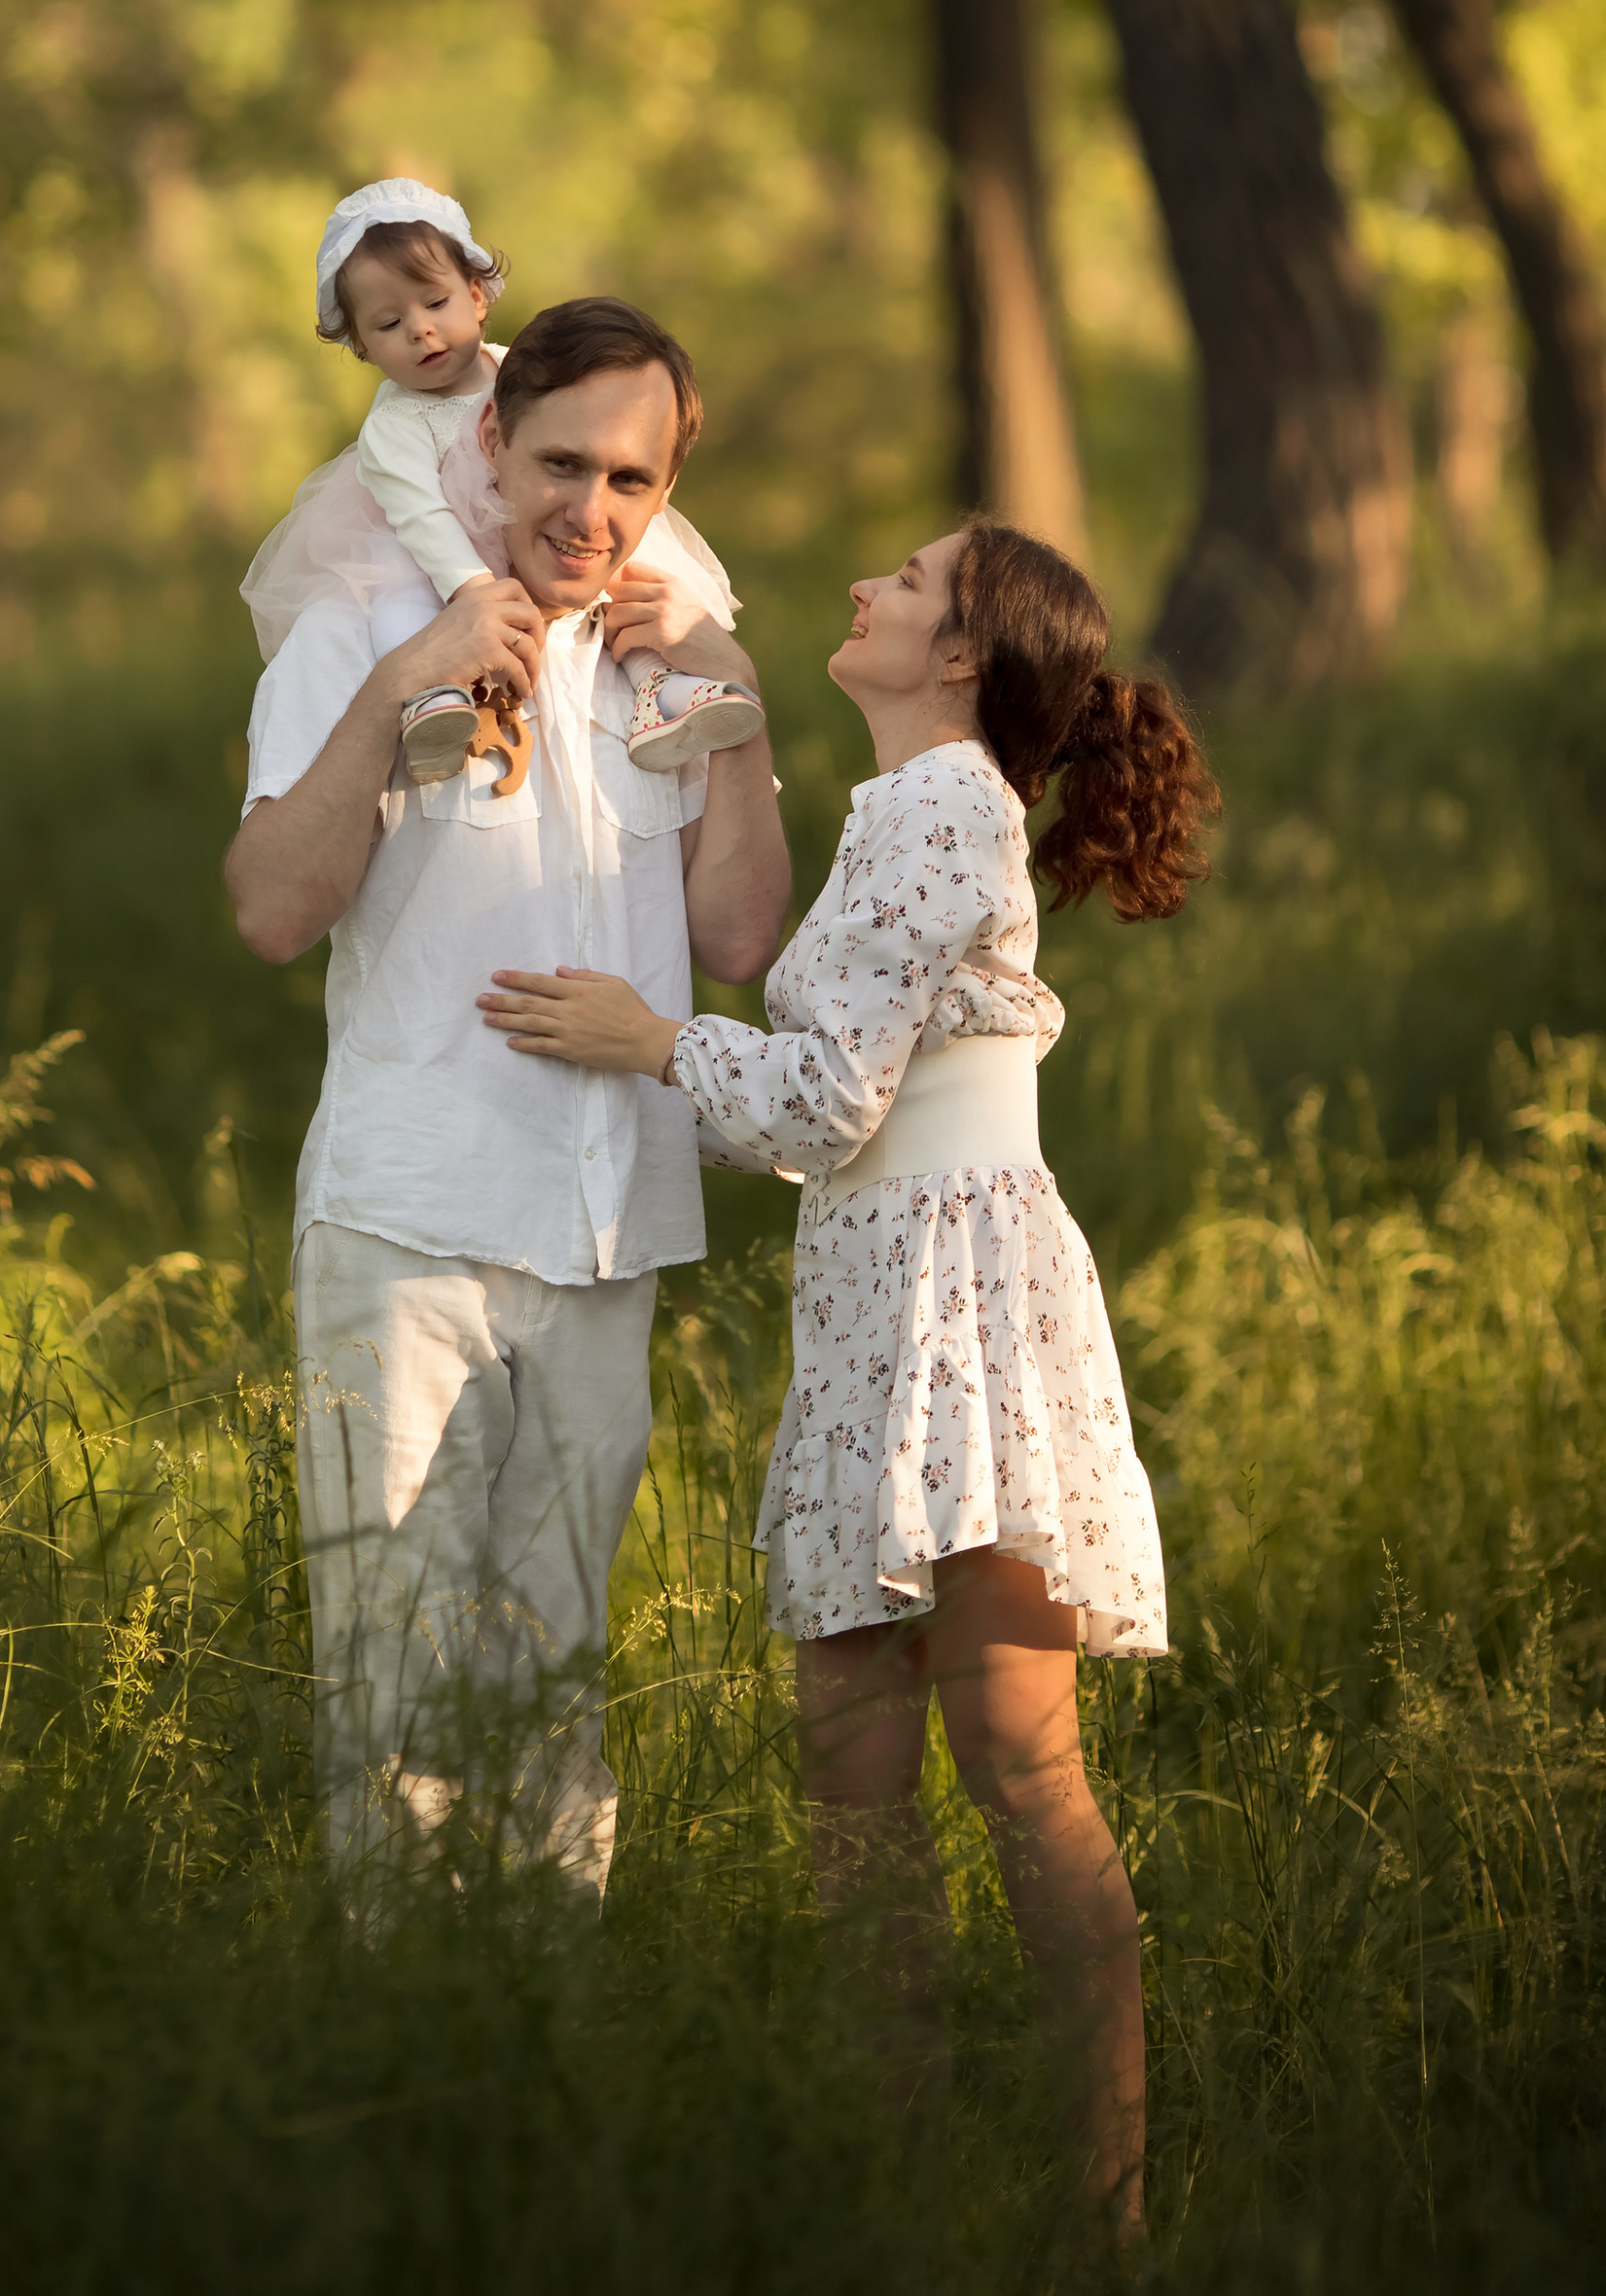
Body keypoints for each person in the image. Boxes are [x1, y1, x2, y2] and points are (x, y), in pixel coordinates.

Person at [481, 521, 1215, 2241]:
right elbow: (830, 1092)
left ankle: (1105, 2213)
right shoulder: (904, 805)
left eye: (911, 577)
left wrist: (649, 1038)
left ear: (960, 655)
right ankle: (900, 2193)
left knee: (1015, 1759)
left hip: (965, 1304)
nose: (869, 583)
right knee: (853, 1776)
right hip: (879, 1302)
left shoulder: (946, 804)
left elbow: (824, 1102)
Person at [226, 294, 792, 1890]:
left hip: (609, 1239)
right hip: (413, 1223)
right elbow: (269, 909)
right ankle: (402, 2018)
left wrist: (736, 704)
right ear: (488, 435)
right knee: (396, 1693)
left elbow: (741, 937)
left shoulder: (672, 660)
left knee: (558, 1684)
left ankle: (551, 2013)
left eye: (632, 478)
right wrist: (407, 677)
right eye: (559, 462)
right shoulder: (363, 622)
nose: (590, 509)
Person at [239, 176, 765, 780]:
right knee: (398, 604)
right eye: (388, 323)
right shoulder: (395, 425)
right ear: (361, 345)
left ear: (477, 296)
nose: (420, 329)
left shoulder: (519, 368)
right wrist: (471, 591)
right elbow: (423, 518)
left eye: (436, 303)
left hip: (541, 540)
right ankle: (434, 700)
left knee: (633, 593)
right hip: (440, 561)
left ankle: (659, 689)